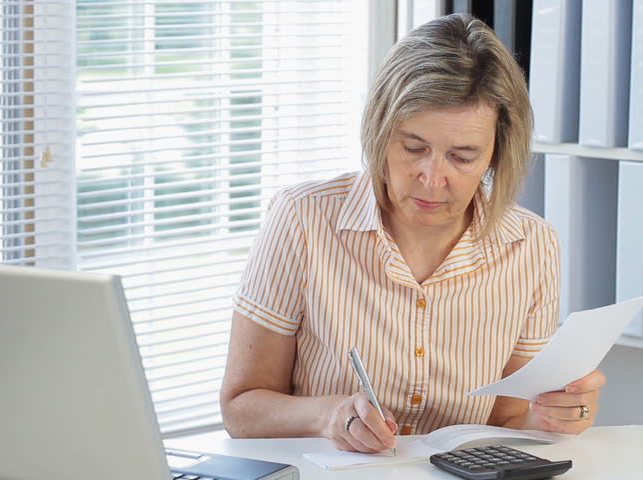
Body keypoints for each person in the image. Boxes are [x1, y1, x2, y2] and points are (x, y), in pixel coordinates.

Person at [219, 13, 605, 454]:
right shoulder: (303, 220)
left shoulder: (532, 245)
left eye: (462, 157)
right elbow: (241, 408)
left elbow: (507, 419)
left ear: (497, 154)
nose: (432, 178)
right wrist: (327, 416)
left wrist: (556, 413)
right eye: (414, 148)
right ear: (381, 131)